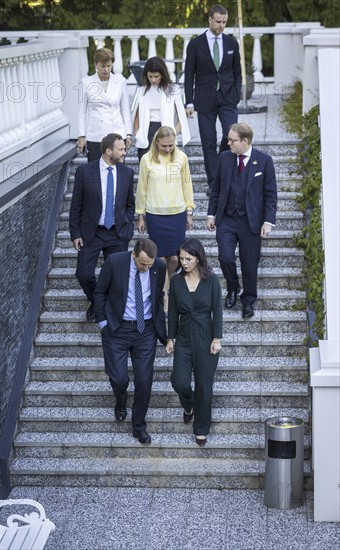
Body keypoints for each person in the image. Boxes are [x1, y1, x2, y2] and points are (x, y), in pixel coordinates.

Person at [94, 238, 167, 444]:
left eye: (149, 265)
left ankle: (139, 426)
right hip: (117, 328)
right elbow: (100, 292)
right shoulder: (114, 262)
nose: (146, 268)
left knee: (144, 380)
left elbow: (158, 294)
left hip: (146, 330)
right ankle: (121, 400)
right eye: (142, 263)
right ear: (134, 254)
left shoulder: (159, 267)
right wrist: (103, 323)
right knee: (118, 378)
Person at [207, 122, 277, 319]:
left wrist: (268, 221)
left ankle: (248, 300)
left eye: (232, 140)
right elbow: (216, 188)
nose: (228, 143)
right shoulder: (225, 158)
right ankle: (232, 287)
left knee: (249, 263)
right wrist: (211, 214)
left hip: (251, 222)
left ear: (245, 141)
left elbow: (270, 194)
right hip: (227, 219)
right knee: (225, 257)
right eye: (228, 139)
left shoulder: (264, 161)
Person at [69, 133, 135, 321]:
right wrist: (75, 233)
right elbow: (76, 206)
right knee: (83, 274)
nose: (124, 152)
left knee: (116, 276)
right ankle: (97, 301)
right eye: (121, 149)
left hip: (117, 233)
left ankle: (105, 304)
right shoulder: (84, 172)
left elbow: (130, 204)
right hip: (92, 233)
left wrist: (127, 226)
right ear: (108, 151)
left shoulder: (127, 173)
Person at [166, 238, 222, 446]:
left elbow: (218, 311)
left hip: (206, 339)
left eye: (188, 258)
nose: (184, 262)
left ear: (198, 258)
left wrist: (217, 338)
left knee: (204, 386)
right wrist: (170, 337)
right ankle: (188, 404)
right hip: (184, 338)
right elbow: (172, 311)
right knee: (178, 381)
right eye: (181, 258)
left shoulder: (211, 281)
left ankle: (201, 428)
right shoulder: (176, 280)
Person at [135, 126, 195, 313]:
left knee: (175, 258)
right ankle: (165, 295)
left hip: (177, 213)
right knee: (160, 257)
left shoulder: (182, 158)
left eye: (171, 145)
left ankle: (170, 284)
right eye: (164, 146)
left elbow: (187, 185)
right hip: (155, 214)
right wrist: (140, 215)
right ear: (156, 142)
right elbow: (142, 187)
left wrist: (189, 211)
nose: (168, 149)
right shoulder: (146, 159)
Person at [184, 4, 241, 193]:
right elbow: (189, 74)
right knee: (208, 141)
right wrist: (189, 101)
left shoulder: (232, 43)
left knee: (230, 134)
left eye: (224, 22)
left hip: (227, 98)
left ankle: (223, 173)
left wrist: (236, 93)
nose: (222, 25)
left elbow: (237, 72)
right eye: (218, 21)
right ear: (210, 20)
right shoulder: (195, 44)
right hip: (204, 98)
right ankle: (214, 183)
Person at [77, 48, 133, 162]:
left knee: (118, 170)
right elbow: (81, 112)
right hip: (95, 134)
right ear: (95, 64)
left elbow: (125, 109)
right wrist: (81, 135)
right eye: (103, 66)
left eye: (109, 66)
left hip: (117, 132)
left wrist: (128, 133)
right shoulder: (86, 82)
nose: (106, 69)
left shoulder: (120, 81)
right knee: (95, 171)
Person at [133, 56, 191, 161]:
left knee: (166, 168)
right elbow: (136, 115)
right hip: (146, 132)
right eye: (150, 76)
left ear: (162, 75)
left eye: (156, 76)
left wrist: (174, 132)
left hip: (166, 132)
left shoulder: (173, 89)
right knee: (146, 168)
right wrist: (137, 132)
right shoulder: (141, 90)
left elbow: (181, 115)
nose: (153, 80)